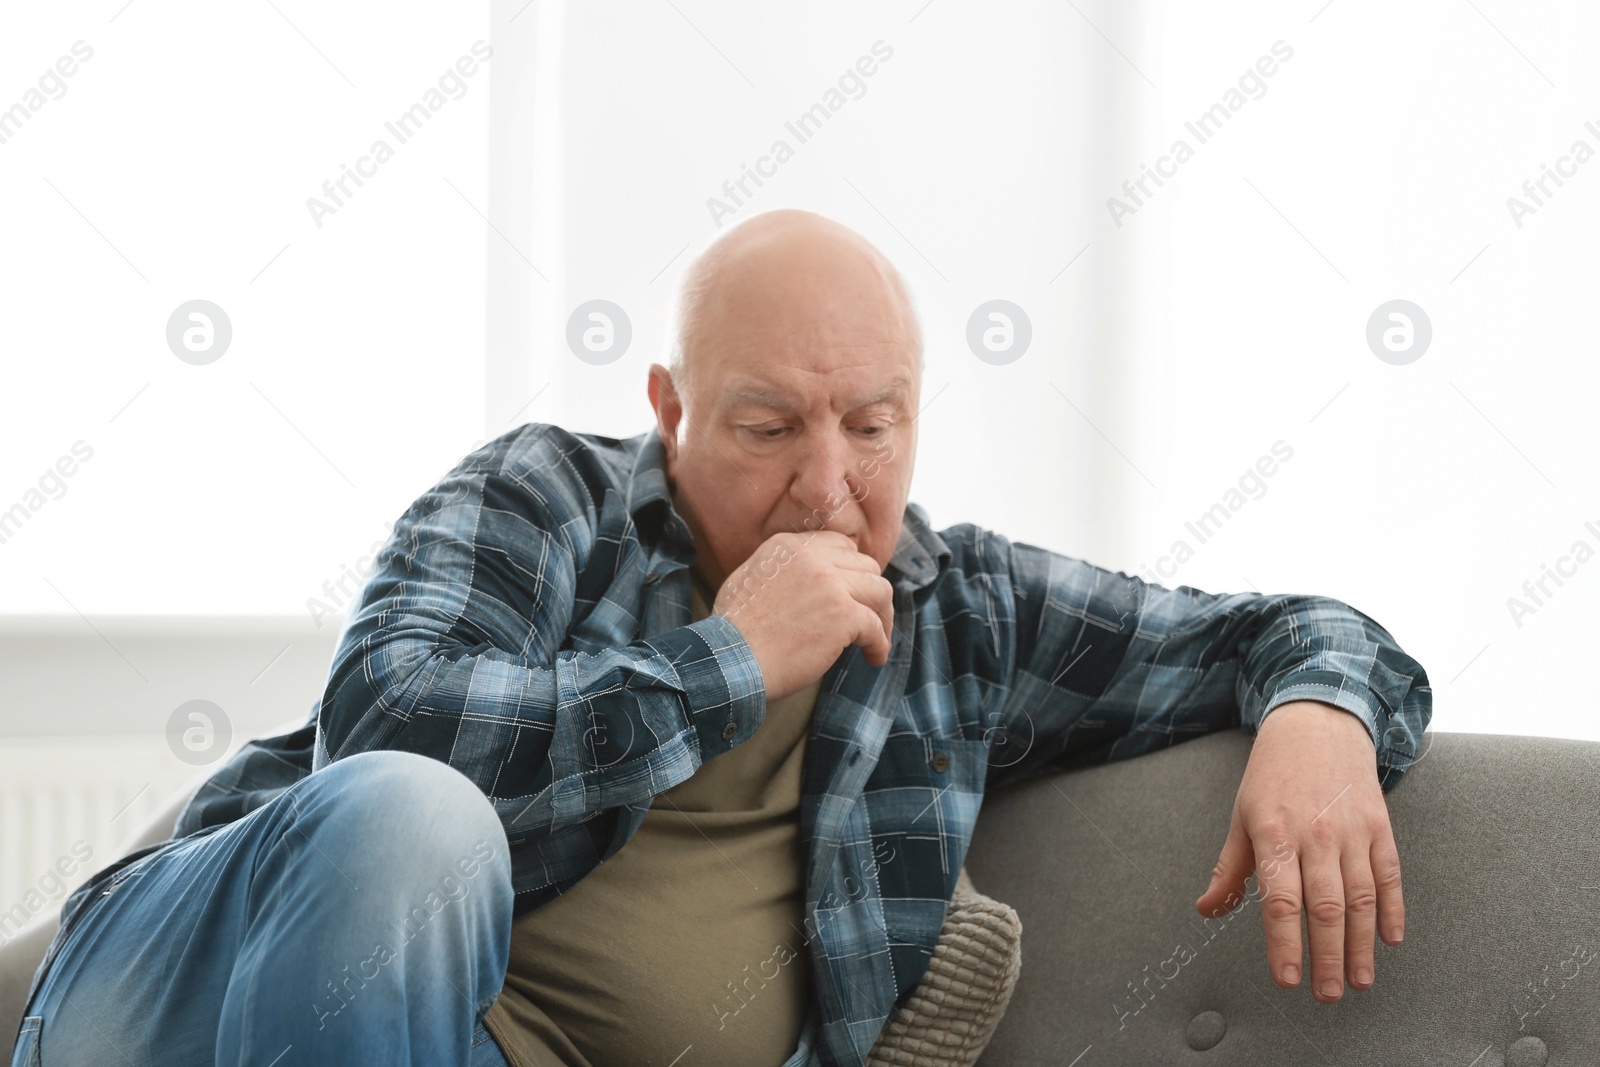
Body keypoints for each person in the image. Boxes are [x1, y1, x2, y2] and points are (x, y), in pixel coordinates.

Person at [10, 209, 1431, 1067]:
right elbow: (383, 738)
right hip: (180, 996)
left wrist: (1320, 714)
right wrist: (729, 660)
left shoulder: (966, 612)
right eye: (766, 427)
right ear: (671, 408)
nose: (827, 486)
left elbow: (1291, 627)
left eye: (873, 427)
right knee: (413, 815)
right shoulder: (544, 494)